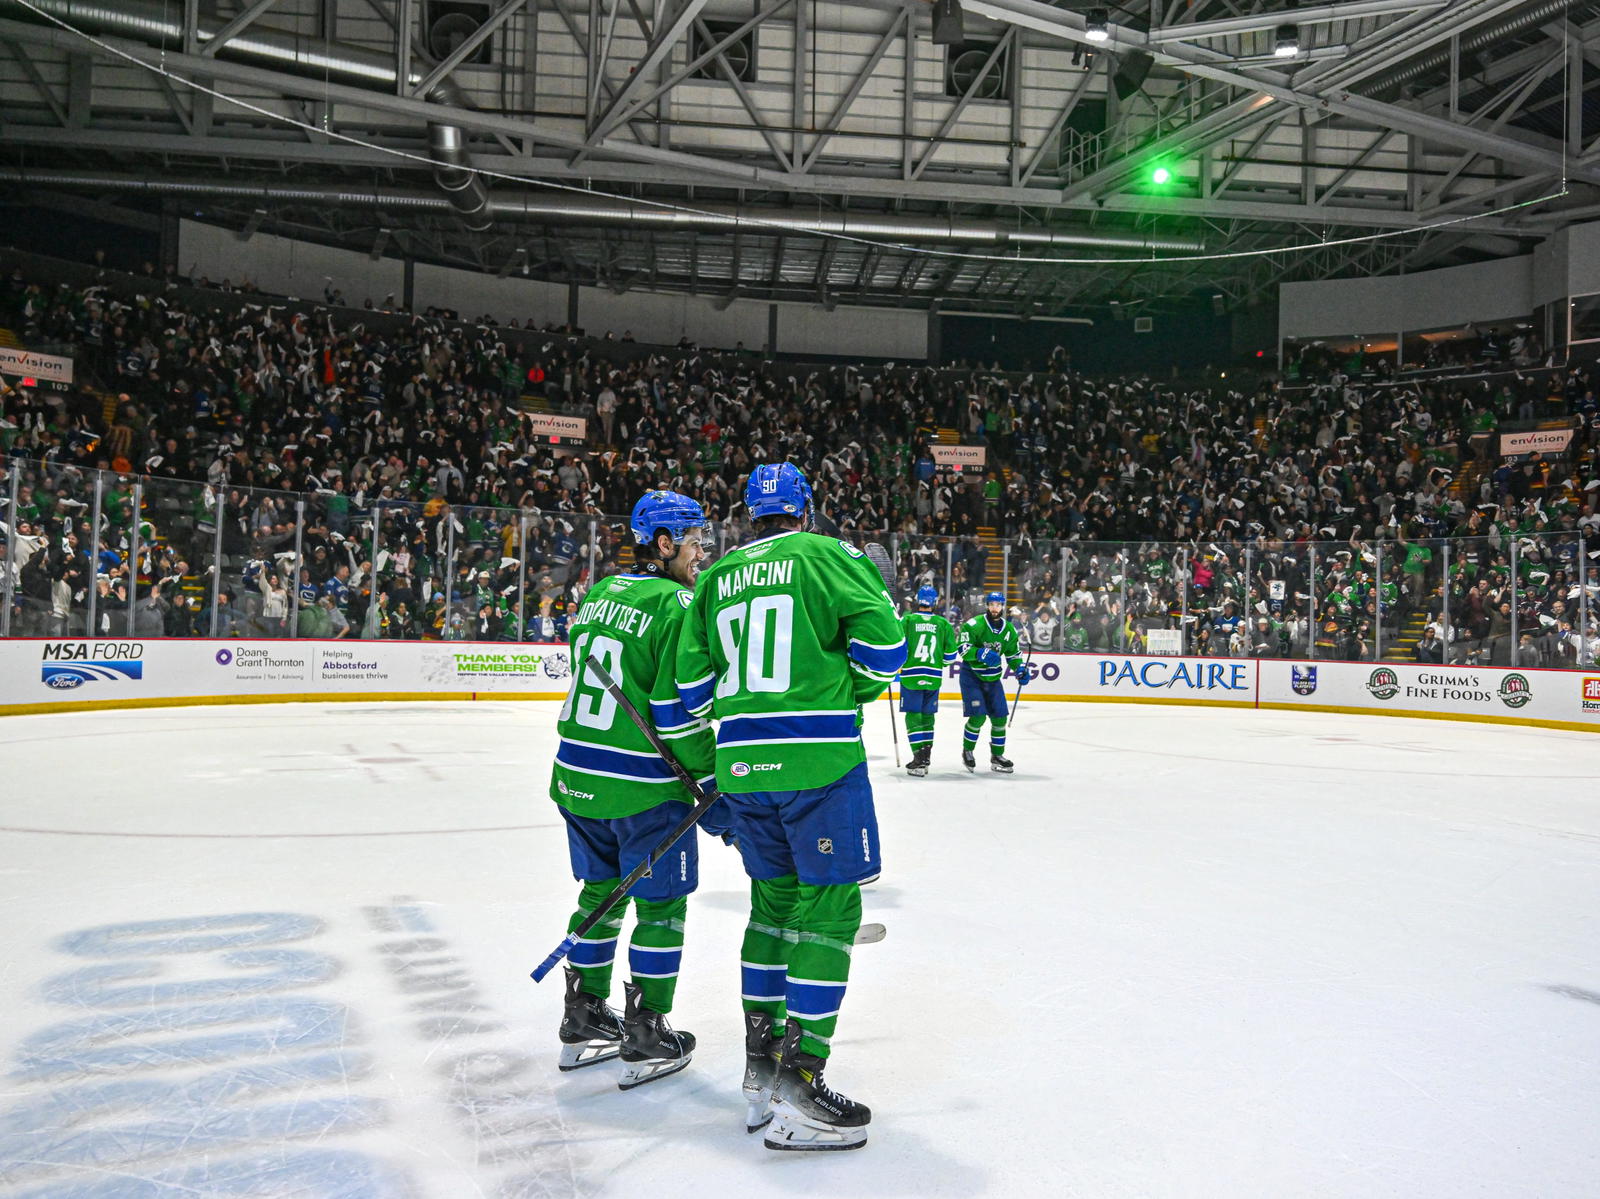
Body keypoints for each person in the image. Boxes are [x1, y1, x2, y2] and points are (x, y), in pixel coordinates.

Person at [676, 461, 905, 1152]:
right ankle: (801, 1082)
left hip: (742, 766)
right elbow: (887, 650)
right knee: (831, 909)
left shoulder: (715, 577)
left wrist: (749, 718)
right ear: (807, 507)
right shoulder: (827, 553)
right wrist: (847, 689)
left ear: (750, 514)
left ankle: (760, 1068)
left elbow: (692, 691)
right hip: (819, 761)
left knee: (772, 905)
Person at [548, 489, 716, 1090]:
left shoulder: (596, 596)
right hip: (641, 785)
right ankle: (646, 1028)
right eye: (694, 541)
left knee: (600, 893)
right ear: (664, 543)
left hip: (576, 773)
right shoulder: (677, 606)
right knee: (661, 906)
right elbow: (675, 712)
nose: (702, 552)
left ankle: (583, 1012)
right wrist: (711, 776)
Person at [956, 590, 1033, 773]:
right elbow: (962, 648)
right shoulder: (974, 625)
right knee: (978, 716)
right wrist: (980, 653)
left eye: (998, 604)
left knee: (1000, 717)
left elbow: (1013, 655)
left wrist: (1020, 669)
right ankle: (968, 751)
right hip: (972, 677)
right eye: (991, 604)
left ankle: (997, 755)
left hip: (993, 679)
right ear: (987, 605)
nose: (995, 608)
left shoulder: (1008, 630)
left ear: (1003, 606)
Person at [896, 584, 958, 777]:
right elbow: (950, 657)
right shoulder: (943, 624)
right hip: (933, 677)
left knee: (913, 716)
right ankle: (926, 755)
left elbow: (896, 646)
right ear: (935, 602)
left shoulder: (907, 620)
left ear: (917, 600)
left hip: (911, 676)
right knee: (928, 716)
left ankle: (918, 758)